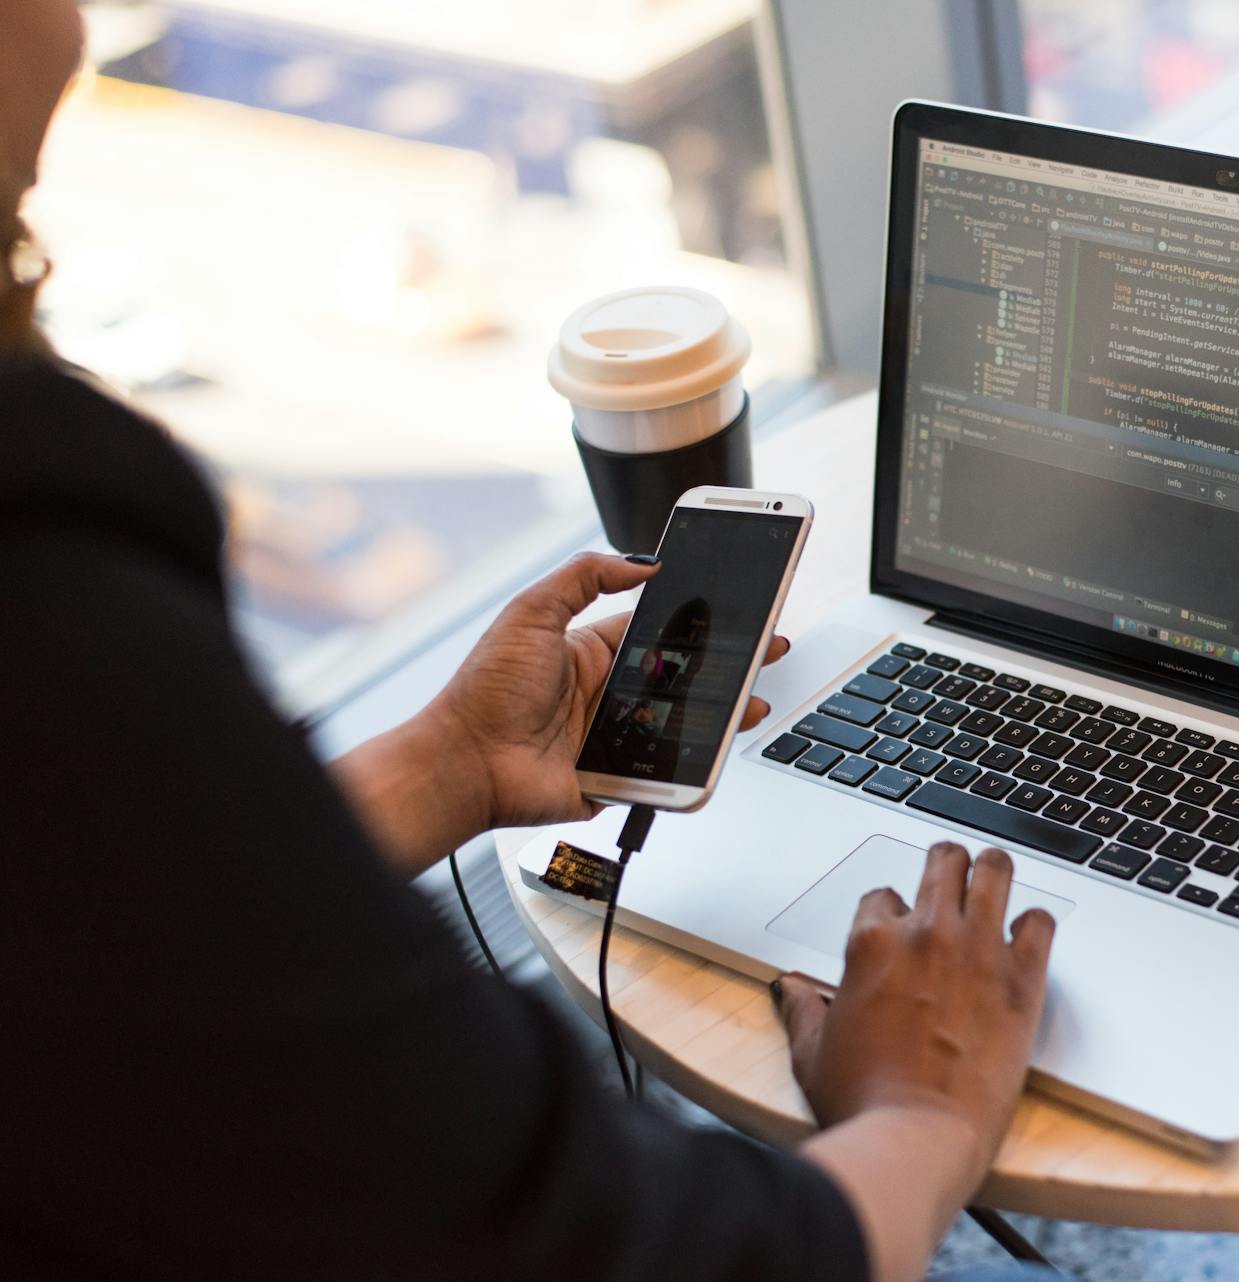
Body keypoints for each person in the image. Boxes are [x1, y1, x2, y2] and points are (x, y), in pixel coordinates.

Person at [0, 5, 1058, 1278]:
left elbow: (131, 921)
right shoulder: (51, 605)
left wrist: (450, 760)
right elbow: (618, 1250)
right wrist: (923, 1113)